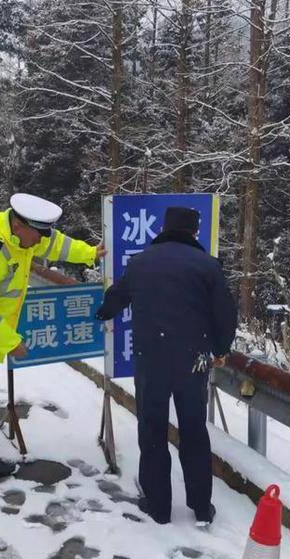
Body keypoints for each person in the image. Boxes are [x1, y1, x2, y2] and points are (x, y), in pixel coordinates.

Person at [0, 193, 106, 477]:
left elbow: (57, 244)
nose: (41, 242)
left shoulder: (23, 234)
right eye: (37, 235)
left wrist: (90, 253)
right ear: (18, 225)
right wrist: (11, 342)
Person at [96, 206, 237, 524]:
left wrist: (103, 312)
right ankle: (201, 507)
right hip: (194, 360)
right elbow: (225, 313)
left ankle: (158, 506)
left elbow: (117, 297)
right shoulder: (208, 266)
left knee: (152, 429)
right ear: (194, 232)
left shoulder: (141, 262)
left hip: (151, 359)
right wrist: (220, 348)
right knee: (194, 431)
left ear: (164, 228)